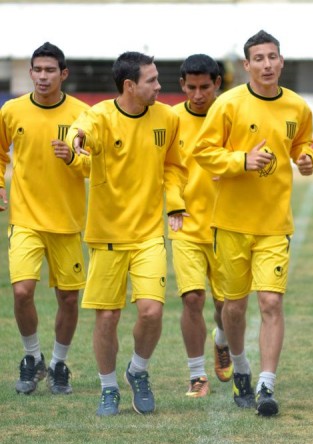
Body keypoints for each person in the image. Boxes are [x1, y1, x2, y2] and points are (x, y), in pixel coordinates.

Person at [192, 30, 313, 416]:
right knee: (233, 308)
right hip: (230, 224)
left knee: (271, 302)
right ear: (247, 65)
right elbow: (204, 152)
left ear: (282, 61)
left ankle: (265, 384)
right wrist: (242, 161)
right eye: (258, 58)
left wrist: (307, 158)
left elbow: (302, 146)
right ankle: (241, 367)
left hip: (274, 224)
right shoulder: (228, 104)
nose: (266, 64)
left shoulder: (298, 107)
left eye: (272, 57)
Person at [66, 51, 187, 417]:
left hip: (149, 233)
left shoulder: (167, 118)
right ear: (130, 85)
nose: (159, 86)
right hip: (105, 236)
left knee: (151, 312)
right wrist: (76, 141)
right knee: (107, 319)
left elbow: (174, 167)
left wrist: (176, 203)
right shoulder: (101, 115)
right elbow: (82, 128)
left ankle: (138, 371)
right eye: (152, 80)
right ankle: (107, 388)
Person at [0, 42, 90, 395]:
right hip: (24, 219)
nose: (42, 76)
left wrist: (72, 158)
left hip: (67, 222)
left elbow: (95, 165)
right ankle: (31, 357)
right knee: (22, 291)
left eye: (50, 70)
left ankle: (58, 363)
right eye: (37, 69)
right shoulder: (11, 111)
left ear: (63, 74)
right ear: (30, 72)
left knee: (68, 298)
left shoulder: (84, 114)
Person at [169, 54, 233, 398]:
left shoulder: (232, 115)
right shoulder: (171, 120)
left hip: (226, 225)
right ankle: (197, 375)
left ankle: (221, 340)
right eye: (190, 87)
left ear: (217, 84)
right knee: (192, 298)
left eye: (204, 87)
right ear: (181, 85)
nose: (197, 94)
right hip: (185, 225)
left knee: (226, 305)